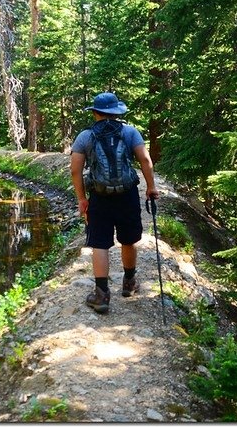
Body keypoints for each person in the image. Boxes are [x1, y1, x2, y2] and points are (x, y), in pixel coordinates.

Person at [70, 92, 159, 314]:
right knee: (128, 240)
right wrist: (151, 187)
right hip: (126, 195)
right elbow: (145, 161)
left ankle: (101, 295)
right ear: (117, 111)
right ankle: (129, 283)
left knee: (100, 243)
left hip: (99, 197)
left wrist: (82, 199)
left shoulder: (85, 136)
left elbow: (75, 170)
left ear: (95, 112)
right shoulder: (130, 132)